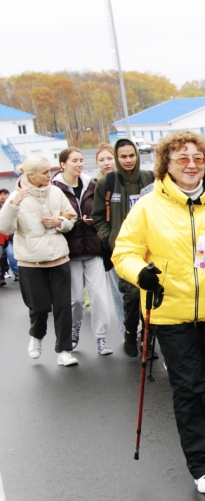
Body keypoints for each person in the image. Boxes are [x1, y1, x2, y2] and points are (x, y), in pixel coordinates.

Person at [112, 130, 205, 494]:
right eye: (182, 159)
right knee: (190, 387)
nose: (191, 165)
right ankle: (204, 463)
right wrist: (141, 274)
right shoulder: (147, 206)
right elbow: (123, 252)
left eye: (196, 158)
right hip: (169, 313)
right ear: (166, 165)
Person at [0, 155, 78, 366]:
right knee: (39, 307)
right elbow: (5, 229)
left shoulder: (56, 191)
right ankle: (36, 335)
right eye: (44, 172)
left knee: (63, 307)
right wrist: (13, 205)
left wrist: (59, 222)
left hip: (59, 258)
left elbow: (72, 218)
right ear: (31, 175)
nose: (49, 175)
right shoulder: (15, 196)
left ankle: (63, 351)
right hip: (30, 262)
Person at [92, 138, 155, 357]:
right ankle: (130, 331)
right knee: (130, 294)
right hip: (123, 249)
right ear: (117, 159)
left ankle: (149, 340)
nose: (128, 160)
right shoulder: (107, 183)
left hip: (149, 247)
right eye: (123, 156)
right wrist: (110, 239)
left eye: (131, 155)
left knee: (150, 294)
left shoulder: (149, 178)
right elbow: (98, 218)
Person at [52, 148, 113, 356]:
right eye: (74, 161)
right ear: (63, 164)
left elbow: (103, 212)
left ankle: (101, 338)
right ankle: (75, 327)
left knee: (99, 297)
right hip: (69, 252)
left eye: (80, 160)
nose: (79, 164)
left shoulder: (91, 185)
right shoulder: (55, 188)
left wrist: (94, 221)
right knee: (75, 300)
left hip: (94, 248)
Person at [95, 144, 125, 334]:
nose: (106, 163)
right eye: (102, 160)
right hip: (112, 246)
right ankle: (125, 331)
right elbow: (98, 217)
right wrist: (109, 237)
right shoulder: (98, 184)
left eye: (109, 158)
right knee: (119, 292)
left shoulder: (129, 180)